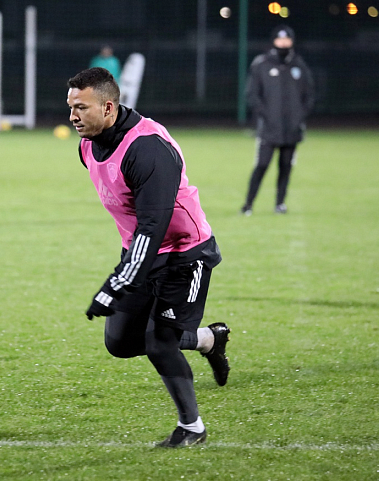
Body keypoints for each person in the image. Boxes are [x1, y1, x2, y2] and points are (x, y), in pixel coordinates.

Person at [66, 67, 230, 448]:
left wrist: (116, 282)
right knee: (120, 342)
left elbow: (153, 226)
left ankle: (192, 428)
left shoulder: (147, 149)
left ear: (108, 108)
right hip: (141, 252)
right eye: (71, 107)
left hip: (185, 254)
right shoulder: (88, 145)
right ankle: (208, 339)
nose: (73, 116)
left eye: (81, 108)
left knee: (159, 343)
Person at [241, 25, 315, 215]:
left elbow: (309, 95)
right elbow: (252, 94)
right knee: (262, 165)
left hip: (292, 129)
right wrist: (265, 115)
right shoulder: (262, 64)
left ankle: (280, 204)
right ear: (274, 41)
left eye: (287, 39)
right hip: (269, 128)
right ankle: (248, 204)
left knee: (286, 166)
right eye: (280, 39)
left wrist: (299, 116)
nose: (283, 43)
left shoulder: (299, 65)